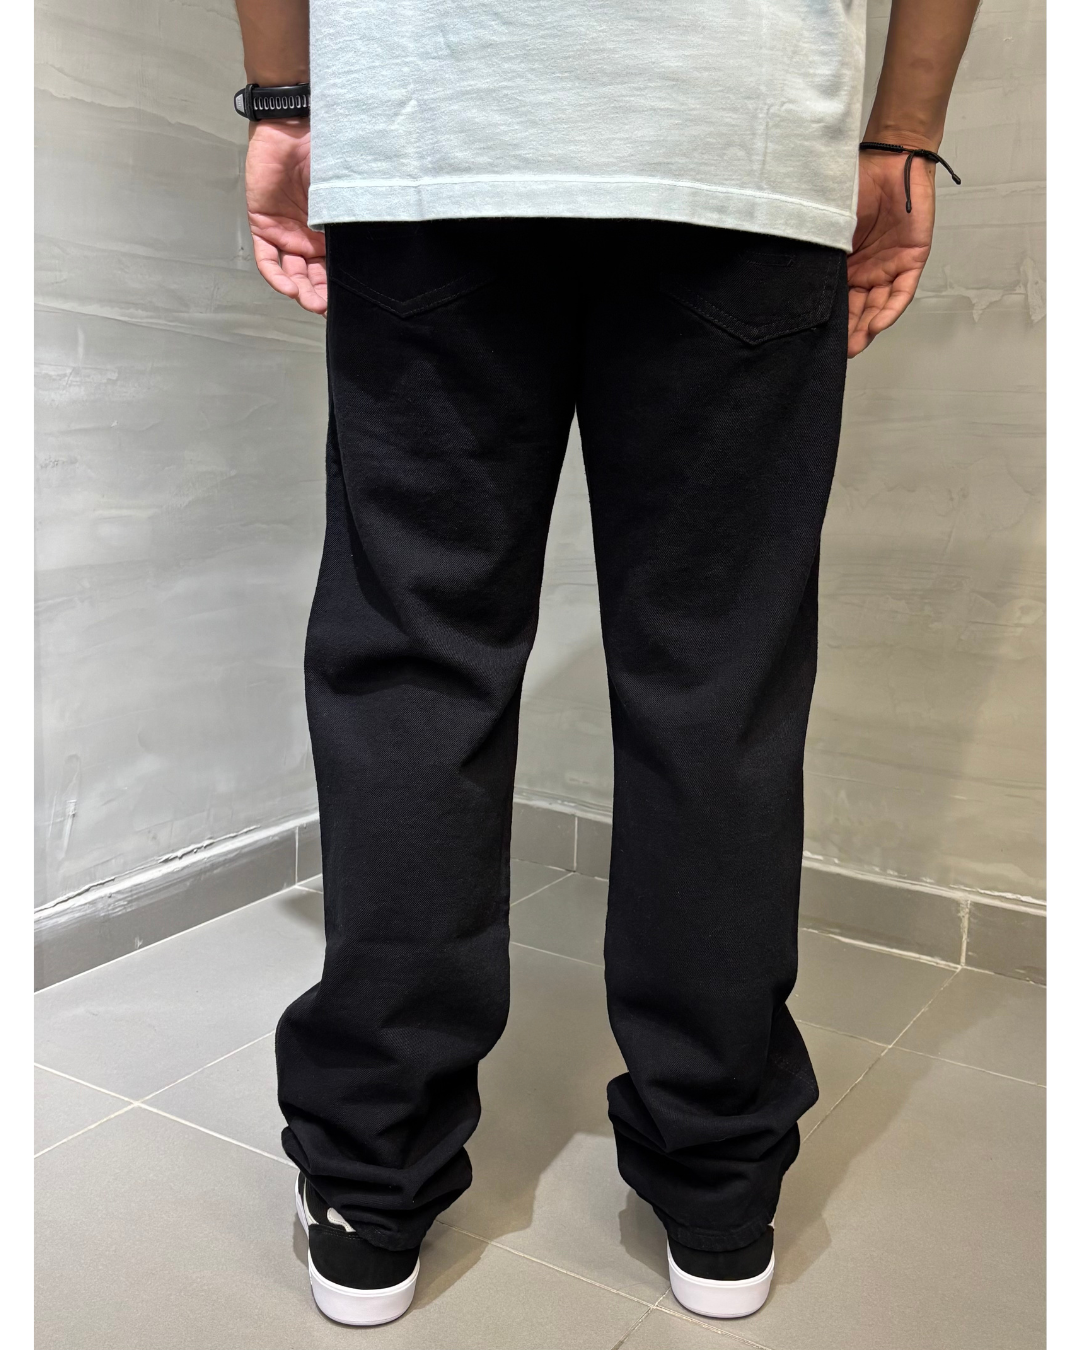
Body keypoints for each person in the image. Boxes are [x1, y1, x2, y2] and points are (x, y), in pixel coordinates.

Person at [232, 0, 979, 1327]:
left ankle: (371, 1188)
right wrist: (904, 133)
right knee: (717, 680)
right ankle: (718, 1189)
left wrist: (286, 100)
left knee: (416, 663)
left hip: (439, 125)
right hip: (740, 133)